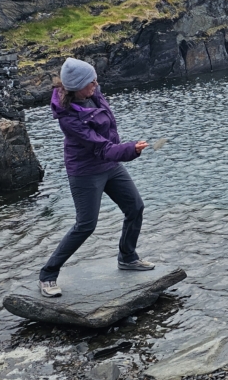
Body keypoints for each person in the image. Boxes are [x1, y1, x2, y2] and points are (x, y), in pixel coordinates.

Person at [38, 57, 154, 298]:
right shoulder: (68, 118)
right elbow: (100, 147)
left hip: (109, 164)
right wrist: (131, 149)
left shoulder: (92, 92)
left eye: (95, 80)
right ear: (75, 87)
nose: (96, 84)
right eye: (90, 82)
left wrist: (124, 149)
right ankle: (48, 274)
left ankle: (128, 258)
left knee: (135, 207)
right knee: (86, 225)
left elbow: (106, 142)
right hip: (86, 171)